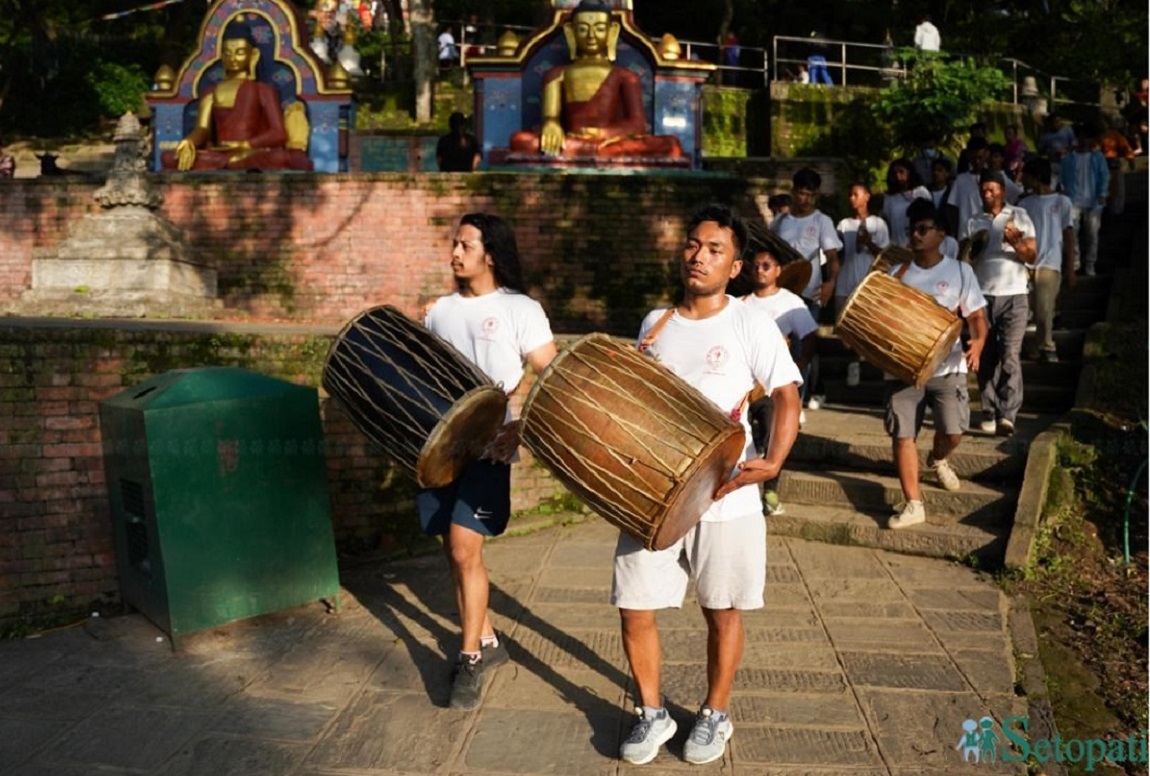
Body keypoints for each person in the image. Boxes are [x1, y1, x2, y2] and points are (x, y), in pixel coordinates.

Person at [616, 203, 801, 766]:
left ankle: (714, 713)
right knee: (634, 606)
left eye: (714, 249)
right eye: (693, 245)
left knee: (721, 610)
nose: (699, 256)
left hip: (726, 498)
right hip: (654, 494)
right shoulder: (656, 323)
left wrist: (772, 461)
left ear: (736, 266)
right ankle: (653, 714)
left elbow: (787, 395)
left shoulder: (750, 323)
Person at [421, 213, 558, 709]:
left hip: (488, 449)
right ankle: (490, 639)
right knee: (454, 552)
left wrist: (521, 425)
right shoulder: (439, 312)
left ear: (491, 254)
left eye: (465, 245)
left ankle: (469, 660)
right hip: (439, 449)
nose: (455, 253)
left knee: (463, 550)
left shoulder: (521, 309)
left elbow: (552, 373)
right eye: (453, 244)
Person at [885, 199, 987, 528]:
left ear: (940, 234)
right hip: (905, 371)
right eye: (912, 229)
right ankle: (914, 504)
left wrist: (979, 342)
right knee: (903, 436)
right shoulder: (896, 273)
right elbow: (882, 319)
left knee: (953, 431)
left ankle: (939, 457)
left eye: (923, 228)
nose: (915, 235)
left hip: (948, 367)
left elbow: (976, 315)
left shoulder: (959, 271)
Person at [509, 0, 681, 158]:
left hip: (609, 140)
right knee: (520, 140)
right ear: (571, 32)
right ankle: (598, 152)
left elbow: (637, 125)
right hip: (572, 140)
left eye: (599, 28)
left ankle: (593, 150)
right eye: (583, 29)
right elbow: (551, 118)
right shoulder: (556, 74)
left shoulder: (625, 76)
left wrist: (601, 134)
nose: (591, 35)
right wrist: (551, 125)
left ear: (611, 31)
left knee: (671, 144)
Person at [162, 19, 312, 171]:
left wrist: (245, 145)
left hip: (251, 152)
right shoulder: (211, 92)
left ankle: (233, 163)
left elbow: (278, 133)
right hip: (219, 155)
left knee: (279, 158)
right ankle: (230, 163)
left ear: (253, 55)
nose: (232, 58)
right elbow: (202, 129)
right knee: (169, 158)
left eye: (239, 52)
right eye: (227, 53)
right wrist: (189, 142)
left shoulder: (262, 90)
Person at [742, 219, 819, 514]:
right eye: (757, 265)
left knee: (775, 439)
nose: (761, 270)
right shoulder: (741, 303)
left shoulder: (790, 302)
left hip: (774, 386)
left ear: (777, 271)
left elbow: (810, 337)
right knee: (745, 439)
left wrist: (798, 366)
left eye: (767, 266)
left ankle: (771, 494)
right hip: (746, 387)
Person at [968, 171, 1037, 437]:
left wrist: (1016, 242)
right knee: (986, 356)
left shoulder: (1020, 216)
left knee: (1010, 354)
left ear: (1002, 191)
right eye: (983, 191)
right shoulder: (974, 221)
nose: (988, 195)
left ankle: (1008, 415)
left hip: (1015, 294)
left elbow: (1031, 256)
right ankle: (989, 410)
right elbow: (966, 260)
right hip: (981, 294)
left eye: (992, 190)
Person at [771, 167, 841, 410]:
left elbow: (832, 257)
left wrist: (830, 283)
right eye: (801, 193)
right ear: (793, 192)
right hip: (779, 293)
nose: (805, 199)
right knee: (777, 346)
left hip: (809, 294)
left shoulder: (823, 221)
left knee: (804, 348)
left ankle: (796, 403)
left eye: (810, 195)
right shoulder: (780, 221)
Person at [1017, 156, 1075, 364]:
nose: (1022, 178)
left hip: (1050, 262)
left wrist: (1070, 267)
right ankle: (1036, 345)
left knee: (1044, 309)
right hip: (1025, 262)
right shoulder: (1024, 203)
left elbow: (1068, 234)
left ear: (1035, 177)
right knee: (1027, 309)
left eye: (1026, 175)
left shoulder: (1062, 201)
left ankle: (1048, 345)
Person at [1058, 126, 1109, 276]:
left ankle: (1090, 264)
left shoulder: (1098, 157)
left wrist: (1102, 193)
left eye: (1087, 138)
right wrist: (1062, 191)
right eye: (1081, 137)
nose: (1084, 141)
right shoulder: (1068, 159)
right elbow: (1062, 178)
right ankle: (1075, 263)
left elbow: (1104, 176)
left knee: (1092, 234)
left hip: (1094, 201)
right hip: (1073, 200)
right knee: (1072, 232)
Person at [836, 181, 891, 306]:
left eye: (856, 195)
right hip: (844, 284)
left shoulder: (878, 224)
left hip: (868, 285)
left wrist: (868, 243)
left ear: (867, 197)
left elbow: (885, 256)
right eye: (850, 195)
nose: (852, 198)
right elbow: (837, 255)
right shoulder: (843, 225)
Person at [881, 158, 931, 248]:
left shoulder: (921, 192)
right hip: (898, 245)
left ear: (909, 172)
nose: (898, 176)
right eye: (895, 173)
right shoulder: (889, 198)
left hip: (919, 243)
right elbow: (887, 223)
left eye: (901, 172)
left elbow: (929, 219)